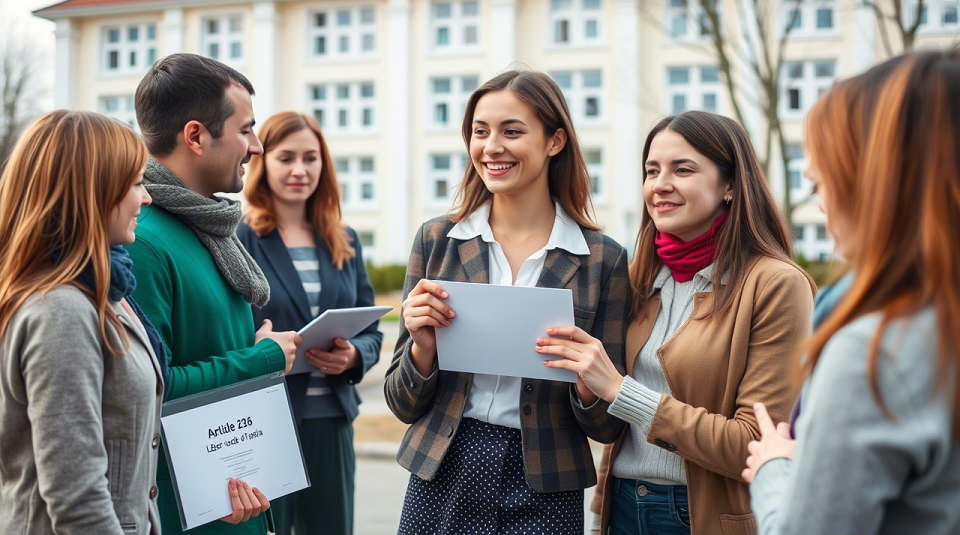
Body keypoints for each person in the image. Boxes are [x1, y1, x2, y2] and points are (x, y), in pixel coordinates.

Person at [542, 110, 815, 535]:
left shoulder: (776, 285)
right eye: (652, 171)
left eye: (682, 169)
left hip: (700, 516)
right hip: (623, 504)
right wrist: (590, 392)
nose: (660, 185)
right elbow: (611, 422)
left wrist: (619, 389)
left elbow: (756, 442)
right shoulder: (638, 278)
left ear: (729, 185)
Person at [384, 70, 630, 534]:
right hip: (443, 467)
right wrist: (421, 348)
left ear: (555, 141)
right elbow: (401, 403)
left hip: (546, 481)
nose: (491, 146)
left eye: (511, 131)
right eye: (480, 132)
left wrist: (588, 380)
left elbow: (607, 427)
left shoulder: (603, 260)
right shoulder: (438, 241)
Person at [743, 49, 960, 534]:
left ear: (880, 178)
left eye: (829, 163)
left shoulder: (876, 352)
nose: (810, 181)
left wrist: (775, 467)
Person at [127, 53, 301, 535]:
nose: (257, 146)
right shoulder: (141, 241)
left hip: (235, 499)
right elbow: (147, 392)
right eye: (246, 130)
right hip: (190, 513)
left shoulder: (210, 229)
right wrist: (261, 359)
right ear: (196, 136)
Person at [0, 111, 161, 534]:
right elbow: (78, 499)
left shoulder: (103, 290)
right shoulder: (62, 311)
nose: (146, 199)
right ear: (94, 190)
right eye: (137, 183)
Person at [237, 111, 382, 535]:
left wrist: (355, 355)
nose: (300, 170)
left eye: (311, 158)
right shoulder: (240, 239)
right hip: (269, 419)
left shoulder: (344, 238)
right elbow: (232, 328)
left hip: (333, 419)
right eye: (286, 158)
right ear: (264, 163)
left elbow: (371, 328)